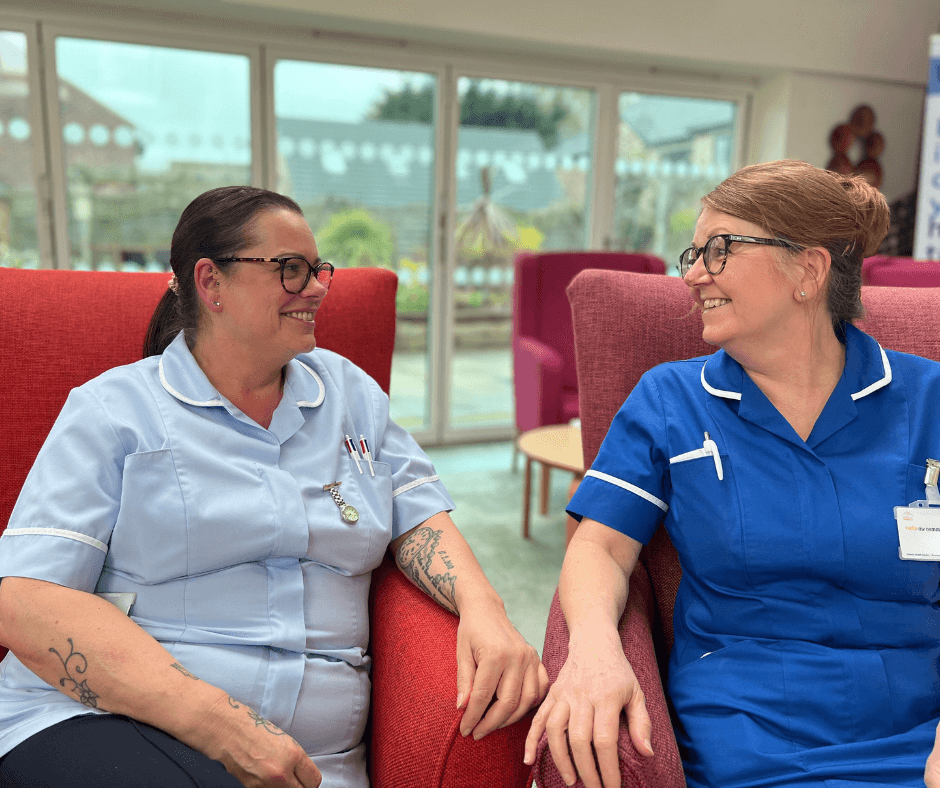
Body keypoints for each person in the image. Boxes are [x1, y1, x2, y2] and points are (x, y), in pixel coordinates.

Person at [0, 186, 548, 788]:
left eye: (318, 270)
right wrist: (221, 725)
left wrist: (485, 609)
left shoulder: (350, 396)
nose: (316, 287)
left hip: (316, 765)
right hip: (111, 723)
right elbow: (26, 600)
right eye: (291, 270)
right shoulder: (114, 411)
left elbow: (416, 511)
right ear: (211, 284)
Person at [524, 160, 940, 788]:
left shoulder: (928, 398)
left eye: (719, 250)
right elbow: (602, 548)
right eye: (693, 252)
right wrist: (591, 648)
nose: (691, 275)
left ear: (808, 270)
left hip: (918, 723)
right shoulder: (671, 400)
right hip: (747, 726)